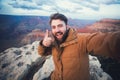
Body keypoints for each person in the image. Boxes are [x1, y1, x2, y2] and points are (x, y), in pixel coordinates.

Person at [38, 13, 120, 80]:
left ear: (66, 27)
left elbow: (105, 41)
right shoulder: (54, 42)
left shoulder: (81, 40)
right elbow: (42, 53)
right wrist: (44, 44)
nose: (57, 30)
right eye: (54, 27)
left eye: (60, 26)